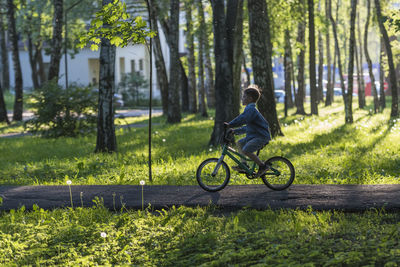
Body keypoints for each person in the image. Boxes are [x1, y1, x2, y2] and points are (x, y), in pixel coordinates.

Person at [225, 85, 271, 177]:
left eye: (244, 97)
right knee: (240, 143)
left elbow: (242, 119)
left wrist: (230, 124)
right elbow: (248, 127)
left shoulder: (251, 109)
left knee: (246, 150)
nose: (242, 98)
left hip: (261, 137)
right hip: (254, 135)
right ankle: (243, 165)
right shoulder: (249, 109)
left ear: (250, 99)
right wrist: (235, 131)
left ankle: (263, 166)